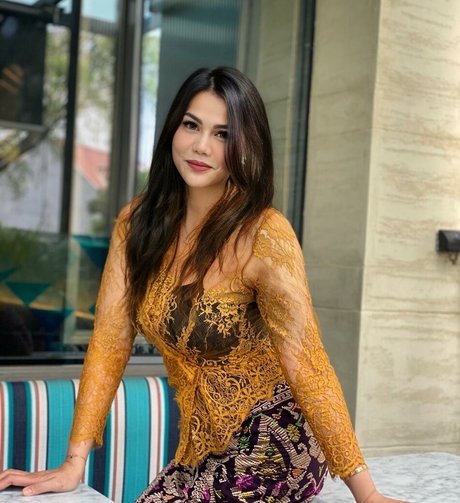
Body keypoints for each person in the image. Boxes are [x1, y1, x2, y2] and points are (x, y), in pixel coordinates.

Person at [0, 67, 409, 503]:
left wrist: (367, 494)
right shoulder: (136, 224)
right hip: (200, 447)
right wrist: (73, 463)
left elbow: (308, 364)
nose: (201, 146)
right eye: (192, 125)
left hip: (277, 438)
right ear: (173, 129)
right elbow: (109, 340)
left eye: (223, 134)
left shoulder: (264, 235)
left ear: (246, 146)